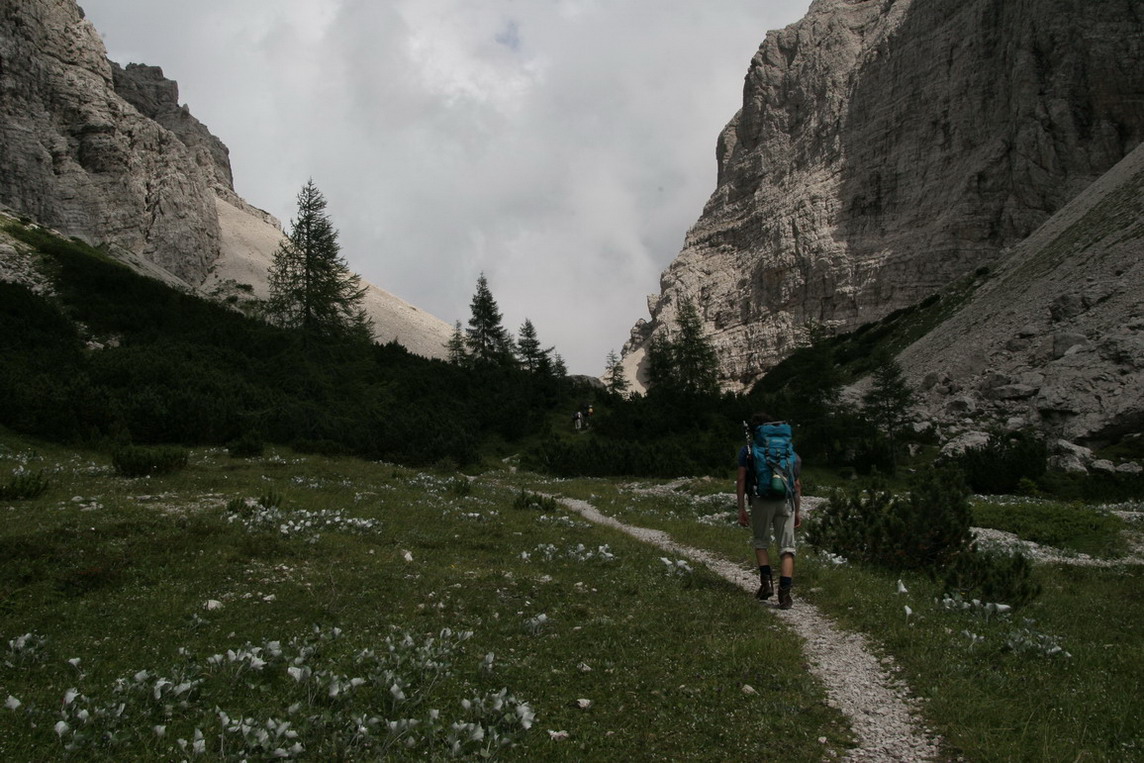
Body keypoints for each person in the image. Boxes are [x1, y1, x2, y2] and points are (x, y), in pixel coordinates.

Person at [736, 413, 802, 609]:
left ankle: (766, 585)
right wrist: (797, 511)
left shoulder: (748, 450)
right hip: (786, 501)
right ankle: (785, 595)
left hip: (761, 500)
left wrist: (741, 508)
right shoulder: (788, 450)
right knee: (787, 548)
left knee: (761, 541)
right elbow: (797, 484)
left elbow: (741, 480)